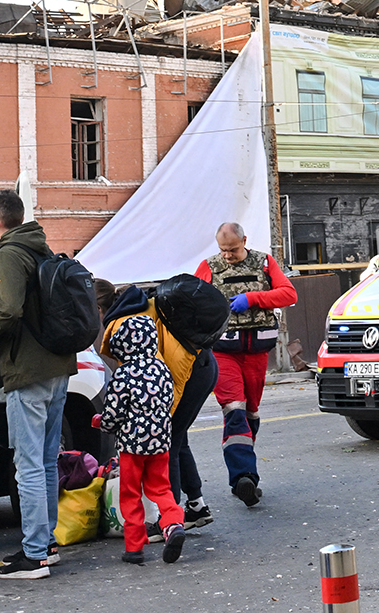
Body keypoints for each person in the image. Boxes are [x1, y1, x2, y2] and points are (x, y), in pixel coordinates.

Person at [0, 190, 74, 580]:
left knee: (27, 465)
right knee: (46, 462)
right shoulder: (39, 247)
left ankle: (34, 555)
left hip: (27, 370)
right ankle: (45, 544)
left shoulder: (10, 254)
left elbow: (8, 311)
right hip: (57, 367)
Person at [94, 279, 215, 524]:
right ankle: (196, 506)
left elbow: (152, 370)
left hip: (189, 372)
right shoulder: (138, 307)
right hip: (204, 364)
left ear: (97, 309)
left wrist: (160, 414)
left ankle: (168, 520)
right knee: (178, 437)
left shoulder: (121, 323)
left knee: (166, 441)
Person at [193, 222, 296, 508]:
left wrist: (252, 299)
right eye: (223, 250)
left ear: (244, 241)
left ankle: (245, 468)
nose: (227, 256)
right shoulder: (208, 266)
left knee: (251, 413)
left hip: (257, 353)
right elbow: (192, 300)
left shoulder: (264, 262)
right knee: (234, 409)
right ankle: (243, 478)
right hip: (223, 352)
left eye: (233, 250)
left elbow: (289, 294)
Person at [96, 307, 188, 565]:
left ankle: (134, 546)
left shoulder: (123, 375)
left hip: (131, 446)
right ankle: (172, 524)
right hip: (160, 441)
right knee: (162, 489)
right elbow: (169, 401)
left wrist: (102, 423)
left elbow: (113, 413)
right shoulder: (162, 369)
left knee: (131, 493)